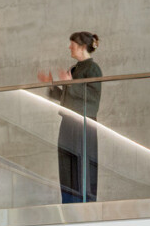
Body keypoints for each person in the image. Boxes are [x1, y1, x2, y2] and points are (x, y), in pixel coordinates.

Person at [37, 32, 102, 203]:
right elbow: (68, 97)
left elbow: (93, 97)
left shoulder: (93, 69)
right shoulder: (74, 69)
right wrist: (52, 85)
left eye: (72, 45)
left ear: (81, 47)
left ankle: (85, 204)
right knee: (66, 164)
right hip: (68, 122)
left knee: (83, 164)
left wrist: (70, 84)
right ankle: (69, 203)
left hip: (83, 123)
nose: (69, 48)